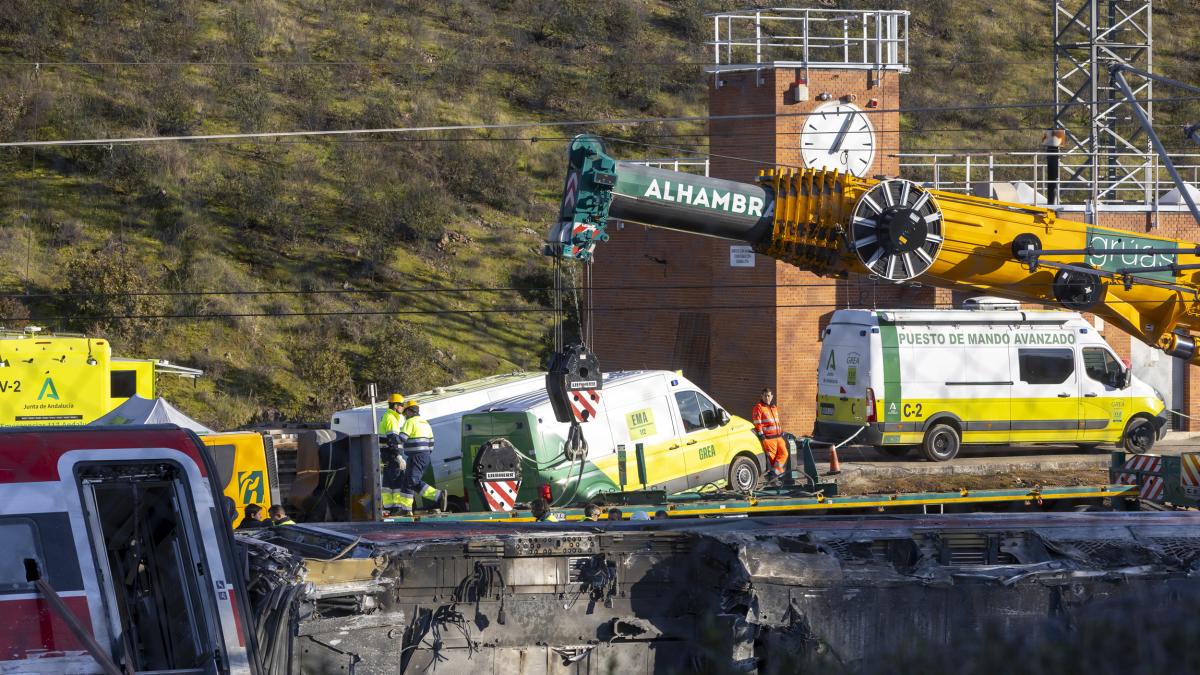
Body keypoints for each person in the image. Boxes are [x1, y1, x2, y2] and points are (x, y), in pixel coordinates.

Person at [395, 401, 447, 516]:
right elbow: (431, 443)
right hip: (425, 455)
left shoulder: (410, 422)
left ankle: (438, 495)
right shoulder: (425, 423)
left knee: (413, 480)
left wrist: (392, 440)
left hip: (416, 456)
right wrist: (425, 453)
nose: (405, 416)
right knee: (407, 481)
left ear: (409, 411)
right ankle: (406, 509)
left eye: (405, 413)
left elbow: (402, 438)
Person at [378, 394, 408, 516]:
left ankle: (389, 507)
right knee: (397, 481)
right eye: (401, 405)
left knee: (388, 482)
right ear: (395, 406)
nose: (403, 408)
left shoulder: (387, 416)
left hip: (386, 455)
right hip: (392, 455)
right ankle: (396, 508)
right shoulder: (391, 418)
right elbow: (392, 440)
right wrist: (399, 456)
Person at [751, 387, 788, 482]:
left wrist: (782, 432)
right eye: (765, 396)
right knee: (772, 459)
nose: (767, 398)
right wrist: (761, 436)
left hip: (779, 437)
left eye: (768, 396)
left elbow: (777, 422)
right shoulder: (758, 407)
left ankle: (773, 474)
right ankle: (775, 476)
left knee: (784, 454)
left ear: (772, 396)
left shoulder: (774, 407)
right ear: (762, 396)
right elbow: (757, 423)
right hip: (768, 439)